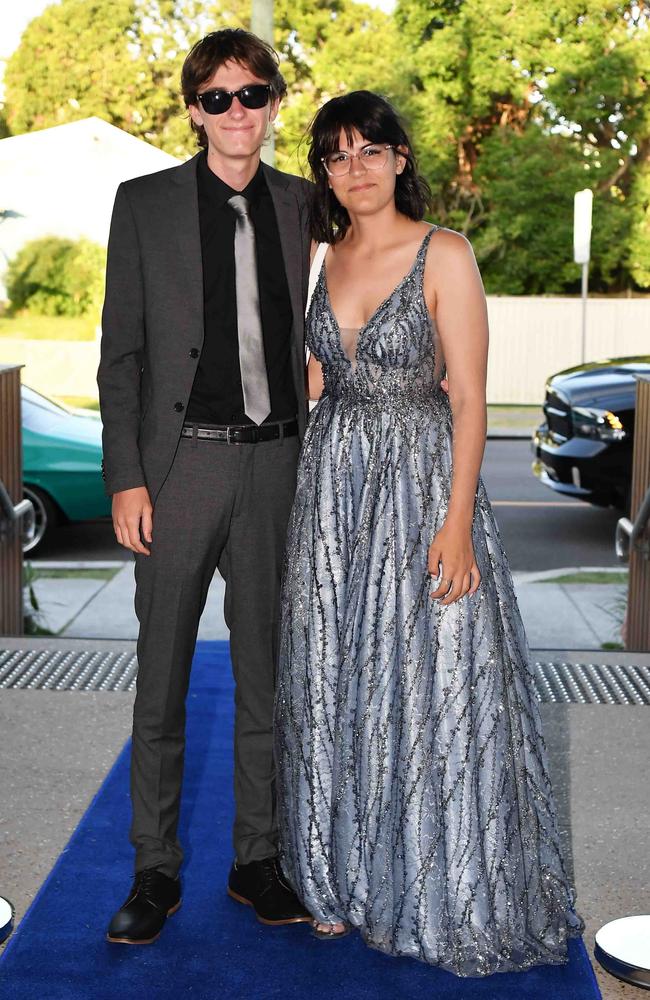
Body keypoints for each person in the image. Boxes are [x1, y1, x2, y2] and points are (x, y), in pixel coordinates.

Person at [274, 91, 584, 975]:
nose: (356, 169)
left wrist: (456, 525)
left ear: (402, 158)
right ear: (325, 172)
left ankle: (439, 883)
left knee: (434, 677)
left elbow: (471, 397)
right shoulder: (318, 254)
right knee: (332, 675)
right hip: (333, 489)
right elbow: (308, 378)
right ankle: (338, 881)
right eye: (336, 156)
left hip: (421, 485)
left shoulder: (445, 252)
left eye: (371, 150)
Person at [98, 29, 313, 944]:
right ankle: (155, 869)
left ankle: (256, 858)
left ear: (272, 105)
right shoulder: (141, 204)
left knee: (268, 676)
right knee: (164, 682)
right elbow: (121, 357)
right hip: (180, 467)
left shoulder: (308, 206)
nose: (236, 113)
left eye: (252, 95)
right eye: (217, 98)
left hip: (277, 465)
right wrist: (126, 479)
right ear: (194, 109)